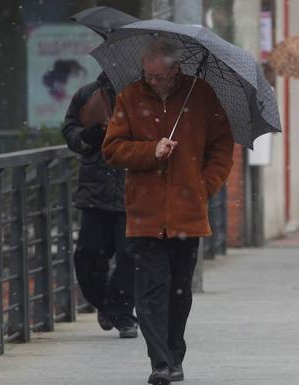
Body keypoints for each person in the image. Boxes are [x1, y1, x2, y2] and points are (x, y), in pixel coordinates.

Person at [102, 39, 234, 385]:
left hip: (187, 214)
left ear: (176, 70)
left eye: (161, 76)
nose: (154, 82)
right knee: (150, 291)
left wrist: (205, 186)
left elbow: (222, 144)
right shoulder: (130, 98)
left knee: (179, 290)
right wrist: (151, 151)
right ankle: (159, 363)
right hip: (144, 214)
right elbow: (112, 150)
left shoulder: (201, 95)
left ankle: (175, 354)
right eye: (149, 76)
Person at [62, 72, 138, 339]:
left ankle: (122, 311)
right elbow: (70, 130)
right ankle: (106, 304)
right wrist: (88, 136)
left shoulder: (147, 96)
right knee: (87, 256)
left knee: (132, 256)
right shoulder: (88, 95)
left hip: (135, 190)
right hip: (96, 189)